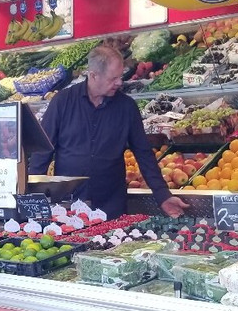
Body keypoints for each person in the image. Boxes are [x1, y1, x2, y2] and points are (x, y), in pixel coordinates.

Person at [29, 45, 189, 219]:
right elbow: (42, 151)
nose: (119, 82)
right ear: (93, 75)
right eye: (113, 78)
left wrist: (163, 195)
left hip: (111, 207)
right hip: (68, 205)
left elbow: (144, 154)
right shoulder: (62, 102)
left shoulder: (126, 107)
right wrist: (32, 198)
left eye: (120, 76)